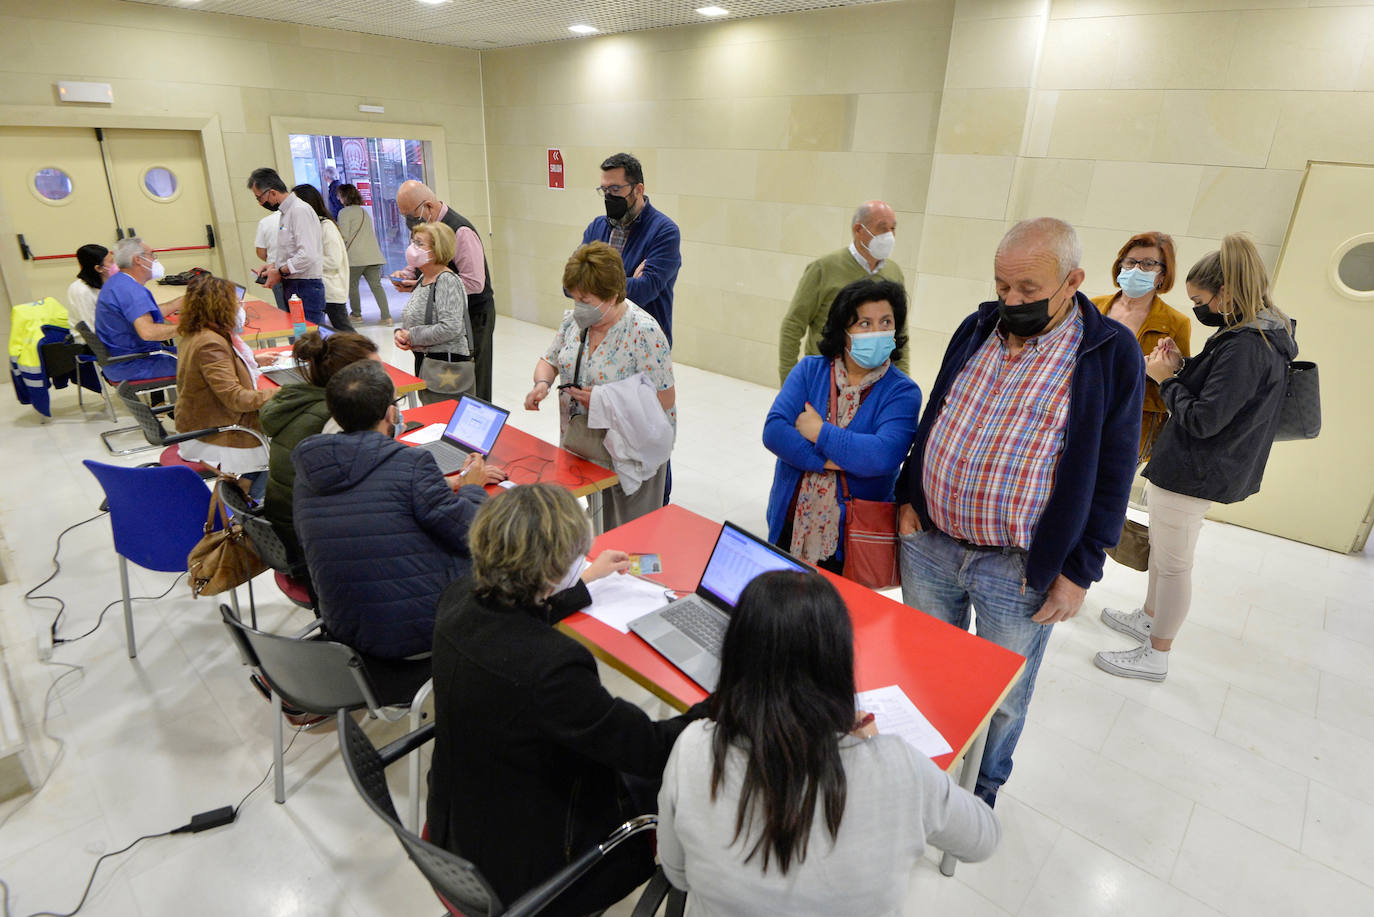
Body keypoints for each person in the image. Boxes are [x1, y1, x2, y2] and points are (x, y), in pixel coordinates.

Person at [895, 217, 1143, 807]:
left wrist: (1080, 570)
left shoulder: (1109, 353)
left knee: (1003, 694)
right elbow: (938, 411)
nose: (1011, 300)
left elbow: (1114, 472)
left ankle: (979, 790)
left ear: (1073, 280)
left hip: (1018, 566)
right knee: (928, 667)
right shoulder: (977, 326)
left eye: (1029, 290)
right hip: (930, 544)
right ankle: (922, 766)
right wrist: (910, 495)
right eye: (1003, 286)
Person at [427, 483, 707, 917]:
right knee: (682, 769)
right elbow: (649, 751)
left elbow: (510, 625)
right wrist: (724, 704)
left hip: (454, 830)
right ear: (555, 568)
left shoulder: (457, 600)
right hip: (530, 866)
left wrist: (583, 585)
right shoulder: (553, 668)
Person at [658, 571, 999, 915]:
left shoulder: (692, 751)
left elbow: (678, 874)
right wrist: (878, 752)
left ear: (735, 656)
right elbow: (983, 839)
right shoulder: (900, 767)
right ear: (839, 662)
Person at [1096, 234, 1297, 682]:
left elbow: (1205, 419)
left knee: (1173, 564)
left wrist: (1165, 380)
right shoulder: (1251, 333)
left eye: (1201, 299)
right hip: (1194, 465)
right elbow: (1221, 392)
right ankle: (1150, 618)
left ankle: (1157, 653)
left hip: (1197, 469)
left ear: (1226, 293)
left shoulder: (1247, 344)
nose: (1199, 309)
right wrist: (1183, 369)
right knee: (1168, 554)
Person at [291, 360, 494, 659]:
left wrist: (438, 486)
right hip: (419, 634)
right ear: (391, 413)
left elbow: (376, 503)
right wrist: (472, 486)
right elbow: (472, 532)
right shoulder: (412, 463)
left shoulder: (309, 471)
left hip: (346, 631)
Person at [763, 278, 920, 575]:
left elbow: (882, 456)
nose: (877, 332)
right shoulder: (811, 370)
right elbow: (774, 432)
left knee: (837, 615)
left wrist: (818, 432)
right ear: (844, 332)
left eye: (886, 322)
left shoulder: (902, 391)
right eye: (864, 323)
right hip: (792, 521)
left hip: (853, 537)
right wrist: (833, 460)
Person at [526, 242, 676, 528]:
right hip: (586, 443)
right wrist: (542, 384)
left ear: (613, 295)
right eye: (575, 298)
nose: (579, 306)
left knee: (631, 539)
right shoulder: (574, 322)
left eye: (586, 299)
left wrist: (606, 399)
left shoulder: (643, 332)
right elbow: (550, 359)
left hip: (631, 451)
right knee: (594, 529)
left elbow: (665, 400)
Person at [259, 330, 378, 556]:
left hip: (284, 525)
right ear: (352, 380)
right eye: (376, 371)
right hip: (310, 544)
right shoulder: (339, 417)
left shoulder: (298, 399)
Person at [778, 201, 907, 384]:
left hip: (874, 384)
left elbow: (900, 333)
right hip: (825, 381)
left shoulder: (894, 273)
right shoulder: (824, 269)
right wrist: (789, 383)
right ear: (858, 230)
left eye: (893, 229)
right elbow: (793, 325)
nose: (889, 235)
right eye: (882, 228)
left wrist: (902, 381)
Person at [1091, 231, 1192, 461]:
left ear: (1162, 274)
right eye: (1131, 262)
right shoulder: (1093, 308)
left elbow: (1175, 386)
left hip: (1131, 427)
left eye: (1148, 264)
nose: (1137, 269)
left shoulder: (1176, 323)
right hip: (1081, 413)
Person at [393, 179, 496, 400]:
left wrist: (435, 289)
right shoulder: (427, 233)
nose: (408, 221)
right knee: (433, 383)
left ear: (428, 206)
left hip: (472, 315)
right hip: (433, 330)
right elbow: (419, 263)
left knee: (471, 381)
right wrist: (409, 275)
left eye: (411, 215)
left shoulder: (461, 231)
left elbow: (475, 283)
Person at [173, 276, 275, 498]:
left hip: (205, 419)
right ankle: (246, 503)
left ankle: (244, 488)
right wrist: (280, 392)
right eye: (236, 303)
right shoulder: (210, 343)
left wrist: (254, 364)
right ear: (220, 306)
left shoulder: (196, 333)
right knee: (287, 451)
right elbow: (236, 398)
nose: (240, 308)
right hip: (218, 429)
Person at [577, 152, 681, 345]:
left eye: (615, 189)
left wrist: (591, 282)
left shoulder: (664, 231)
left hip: (643, 345)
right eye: (604, 189)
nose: (609, 196)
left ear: (638, 189)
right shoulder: (597, 227)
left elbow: (644, 291)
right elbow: (570, 284)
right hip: (598, 339)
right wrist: (629, 281)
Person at [394, 221, 472, 405]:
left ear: (437, 249)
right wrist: (401, 333)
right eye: (413, 242)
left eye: (420, 244)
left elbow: (451, 327)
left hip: (446, 367)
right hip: (427, 362)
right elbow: (415, 317)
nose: (413, 248)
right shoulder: (424, 278)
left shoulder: (446, 281)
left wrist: (412, 335)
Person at [248, 167, 327, 328]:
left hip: (305, 286)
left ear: (272, 192)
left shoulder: (299, 211)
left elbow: (307, 255)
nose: (260, 203)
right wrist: (272, 266)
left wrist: (280, 271)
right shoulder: (286, 212)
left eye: (260, 198)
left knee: (311, 341)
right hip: (294, 285)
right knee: (300, 337)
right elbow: (291, 251)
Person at [93, 237, 179, 381]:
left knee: (198, 353)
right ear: (138, 260)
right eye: (151, 255)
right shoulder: (131, 290)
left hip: (121, 362)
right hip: (136, 364)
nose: (154, 260)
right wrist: (187, 327)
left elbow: (146, 314)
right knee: (210, 360)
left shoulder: (118, 283)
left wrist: (180, 302)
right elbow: (148, 332)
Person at [291, 184, 355, 332]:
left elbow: (333, 260)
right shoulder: (309, 227)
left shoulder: (326, 226)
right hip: (316, 289)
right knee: (327, 332)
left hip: (331, 290)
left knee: (344, 331)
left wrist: (305, 261)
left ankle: (366, 354)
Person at [336, 183, 391, 324]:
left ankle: (356, 314)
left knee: (352, 286)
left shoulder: (344, 212)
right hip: (373, 255)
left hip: (355, 257)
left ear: (343, 196)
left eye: (339, 195)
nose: (338, 198)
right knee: (377, 287)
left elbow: (344, 236)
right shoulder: (364, 211)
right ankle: (386, 317)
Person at [66, 243, 115, 342]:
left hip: (111, 337)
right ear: (98, 268)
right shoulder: (81, 290)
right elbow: (91, 328)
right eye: (111, 262)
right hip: (91, 344)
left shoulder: (108, 284)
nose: (115, 265)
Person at [254, 209, 288, 312]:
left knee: (287, 314)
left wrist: (273, 264)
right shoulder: (300, 217)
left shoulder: (265, 222)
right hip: (300, 275)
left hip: (276, 275)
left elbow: (261, 252)